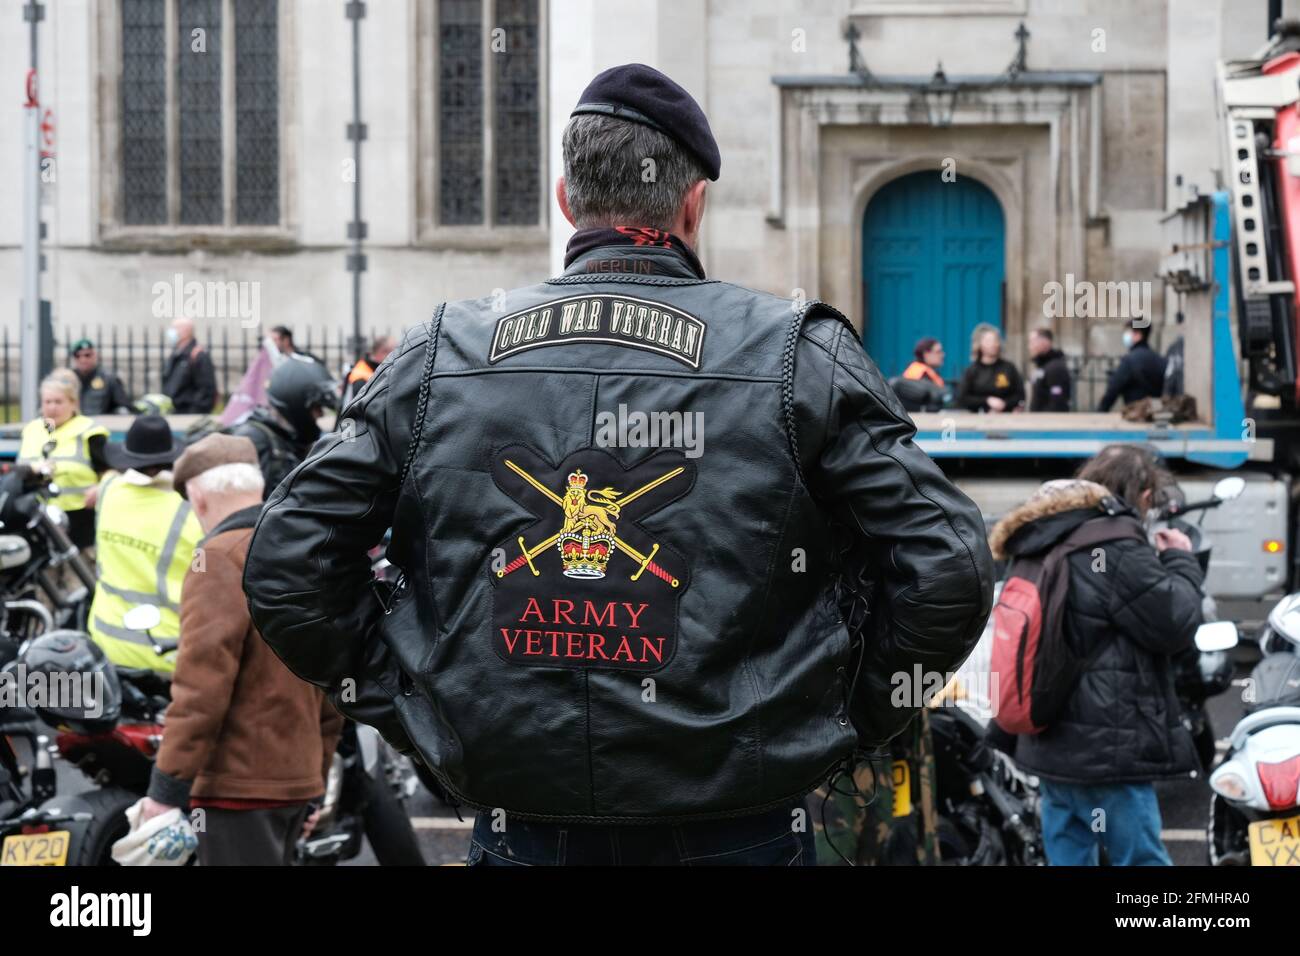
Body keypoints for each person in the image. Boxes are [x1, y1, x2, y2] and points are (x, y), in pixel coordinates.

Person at [243, 63, 994, 867]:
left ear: (566, 202)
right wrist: (841, 715)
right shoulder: (797, 356)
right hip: (742, 827)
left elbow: (289, 561)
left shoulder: (439, 356)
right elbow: (946, 565)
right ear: (693, 204)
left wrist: (418, 704)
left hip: (526, 828)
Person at [986, 444, 1203, 865]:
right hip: (1107, 747)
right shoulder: (1113, 544)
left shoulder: (1043, 535)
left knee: (1068, 856)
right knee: (1140, 861)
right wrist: (1179, 558)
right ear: (1140, 494)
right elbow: (1174, 622)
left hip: (1047, 740)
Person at [138, 434, 343, 866]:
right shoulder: (303, 550)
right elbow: (333, 674)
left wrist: (166, 788)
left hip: (237, 787)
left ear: (197, 497)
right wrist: (315, 779)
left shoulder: (214, 559)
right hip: (295, 781)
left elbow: (201, 689)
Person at [88, 414, 204, 674]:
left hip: (105, 642)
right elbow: (203, 574)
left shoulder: (108, 490)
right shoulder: (191, 510)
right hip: (166, 651)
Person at [17, 371, 110, 548]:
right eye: (47, 402)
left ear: (73, 403)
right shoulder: (32, 430)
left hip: (79, 520)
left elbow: (109, 471)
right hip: (36, 520)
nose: (52, 407)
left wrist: (100, 488)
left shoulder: (89, 431)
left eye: (59, 402)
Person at [228, 355, 339, 498]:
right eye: (316, 408)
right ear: (297, 403)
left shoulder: (289, 440)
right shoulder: (255, 441)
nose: (320, 415)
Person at [957, 323, 1025, 413]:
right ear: (979, 344)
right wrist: (987, 400)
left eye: (996, 340)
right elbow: (963, 398)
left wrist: (1005, 404)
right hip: (978, 419)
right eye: (989, 341)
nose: (994, 344)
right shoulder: (972, 371)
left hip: (1006, 418)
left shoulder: (1009, 368)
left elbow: (1020, 394)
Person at [1099, 322, 1166, 412]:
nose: (1127, 336)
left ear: (1138, 334)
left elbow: (1113, 389)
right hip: (1156, 415)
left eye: (1129, 332)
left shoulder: (1129, 360)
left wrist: (1100, 412)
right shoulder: (1159, 359)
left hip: (1136, 416)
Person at [161, 317, 217, 414]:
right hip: (175, 411)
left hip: (189, 412)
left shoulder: (197, 355)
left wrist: (194, 411)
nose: (171, 332)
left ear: (185, 331)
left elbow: (206, 389)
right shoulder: (176, 354)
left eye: (175, 328)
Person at [68, 338, 132, 416]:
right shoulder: (68, 379)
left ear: (95, 356)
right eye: (77, 356)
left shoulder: (109, 379)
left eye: (87, 355)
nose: (83, 359)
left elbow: (124, 406)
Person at [342, 335, 397, 407]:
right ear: (383, 351)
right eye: (394, 352)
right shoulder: (362, 375)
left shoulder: (369, 368)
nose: (397, 357)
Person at [1027, 328, 1072, 412]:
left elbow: (1058, 403)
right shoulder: (1042, 366)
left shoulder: (1056, 368)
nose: (1030, 346)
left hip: (1048, 422)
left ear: (1045, 342)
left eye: (1032, 342)